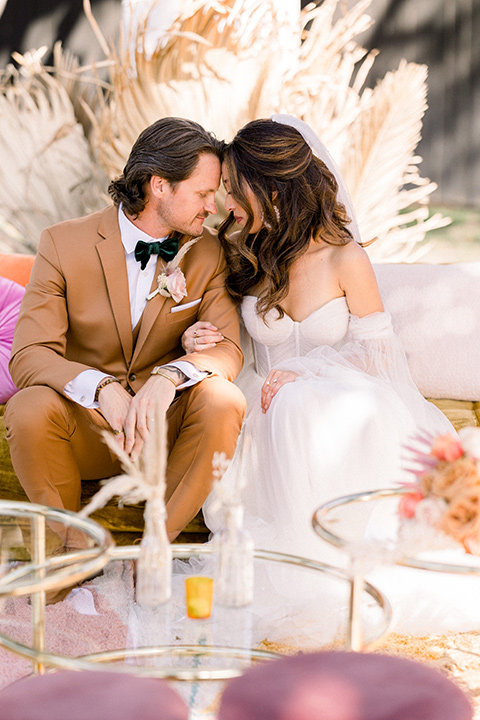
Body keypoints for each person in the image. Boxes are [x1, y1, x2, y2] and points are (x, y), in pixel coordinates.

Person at [183, 116, 480, 638]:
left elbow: (378, 357)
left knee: (301, 404)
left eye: (233, 188)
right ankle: (300, 565)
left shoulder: (345, 257)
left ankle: (327, 564)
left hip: (346, 396)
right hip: (265, 404)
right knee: (284, 406)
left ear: (269, 187)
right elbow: (232, 338)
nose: (225, 201)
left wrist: (304, 369)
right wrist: (197, 339)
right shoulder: (243, 255)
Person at [5, 116, 246, 548]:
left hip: (165, 429)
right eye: (204, 193)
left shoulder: (208, 250)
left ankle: (154, 549)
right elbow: (28, 356)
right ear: (159, 185)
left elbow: (227, 348)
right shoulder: (62, 244)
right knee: (29, 407)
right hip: (90, 428)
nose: (214, 207)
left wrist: (168, 377)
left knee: (223, 399)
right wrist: (101, 389)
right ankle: (72, 553)